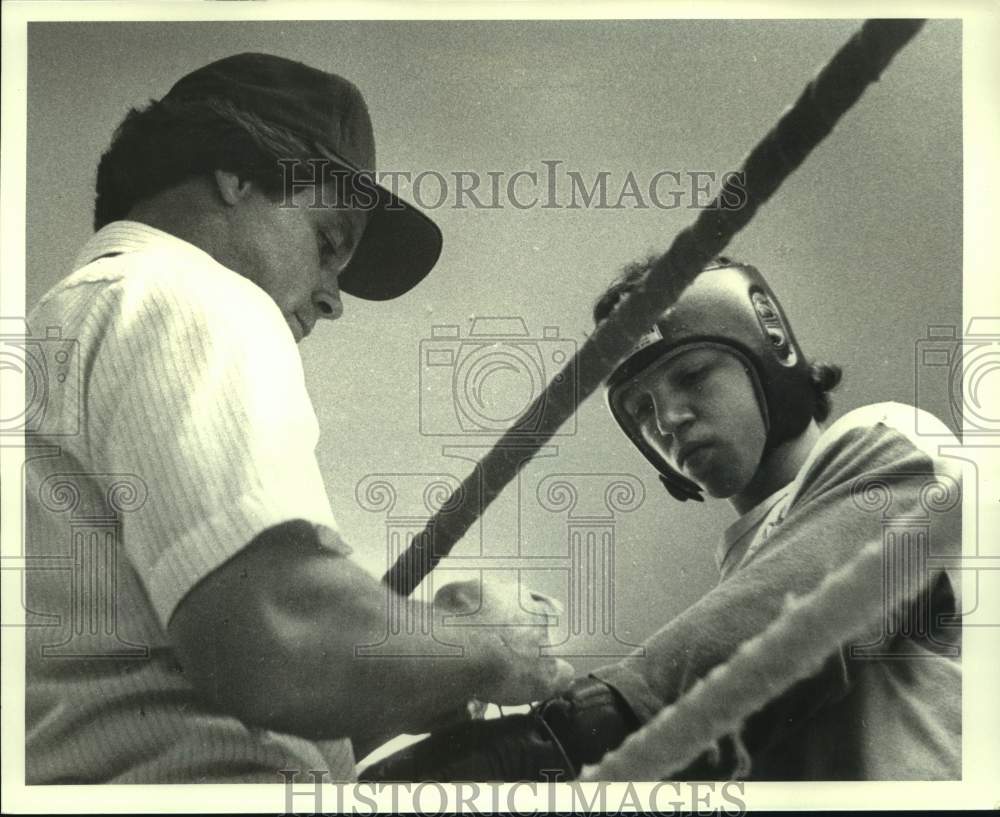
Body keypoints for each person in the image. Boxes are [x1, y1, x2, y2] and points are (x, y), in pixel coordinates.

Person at [24, 53, 572, 784]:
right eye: (327, 242)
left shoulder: (62, 330)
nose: (331, 298)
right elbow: (273, 632)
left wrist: (419, 657)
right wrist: (488, 645)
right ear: (238, 173)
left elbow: (157, 694)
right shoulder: (190, 293)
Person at [361, 256, 962, 781]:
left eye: (694, 375)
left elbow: (798, 614)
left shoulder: (895, 440)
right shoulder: (737, 587)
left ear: (769, 342)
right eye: (641, 408)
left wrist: (554, 738)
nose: (669, 417)